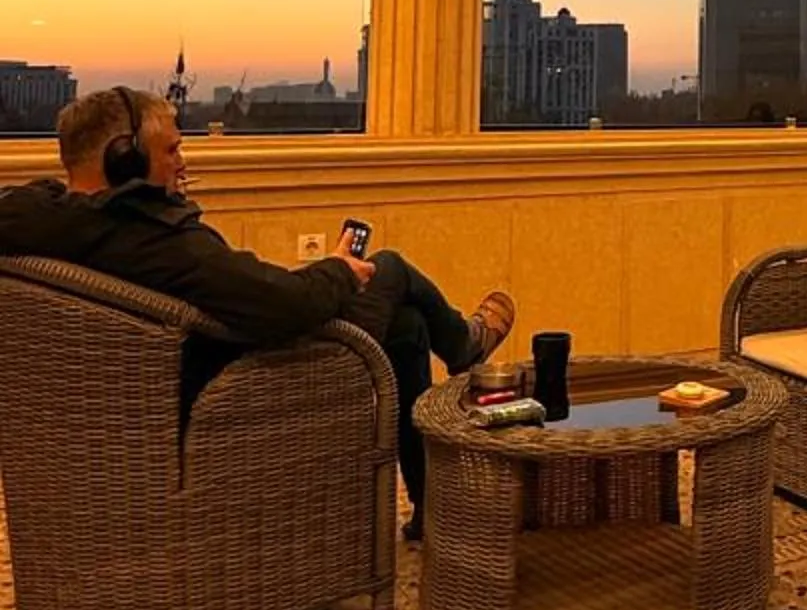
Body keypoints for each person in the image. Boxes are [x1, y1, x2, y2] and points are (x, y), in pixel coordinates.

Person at [0, 87, 514, 540]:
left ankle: (431, 508)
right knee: (391, 268)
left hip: (163, 393)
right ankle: (465, 347)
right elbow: (284, 305)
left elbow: (251, 290)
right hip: (253, 385)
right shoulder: (159, 240)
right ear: (123, 160)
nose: (182, 162)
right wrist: (338, 271)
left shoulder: (42, 222)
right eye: (171, 150)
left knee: (406, 327)